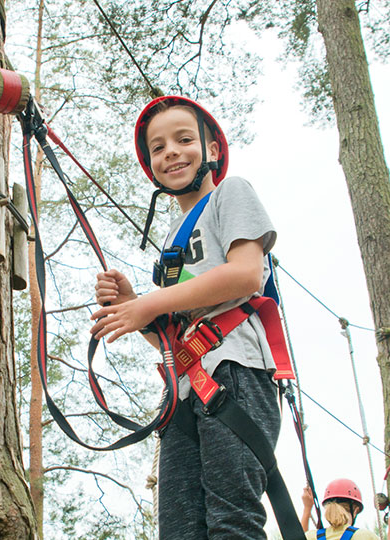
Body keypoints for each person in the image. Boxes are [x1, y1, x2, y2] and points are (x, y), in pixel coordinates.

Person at [90, 95, 282, 539]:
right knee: (179, 530)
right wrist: (134, 305)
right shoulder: (172, 247)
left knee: (231, 520)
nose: (171, 151)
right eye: (158, 148)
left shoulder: (230, 195)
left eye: (183, 139)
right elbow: (173, 345)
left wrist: (149, 304)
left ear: (212, 150)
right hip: (184, 389)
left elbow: (246, 274)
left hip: (235, 374)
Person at [302, 479, 383, 540]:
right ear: (355, 511)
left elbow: (298, 536)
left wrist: (307, 509)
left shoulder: (312, 536)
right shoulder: (365, 536)